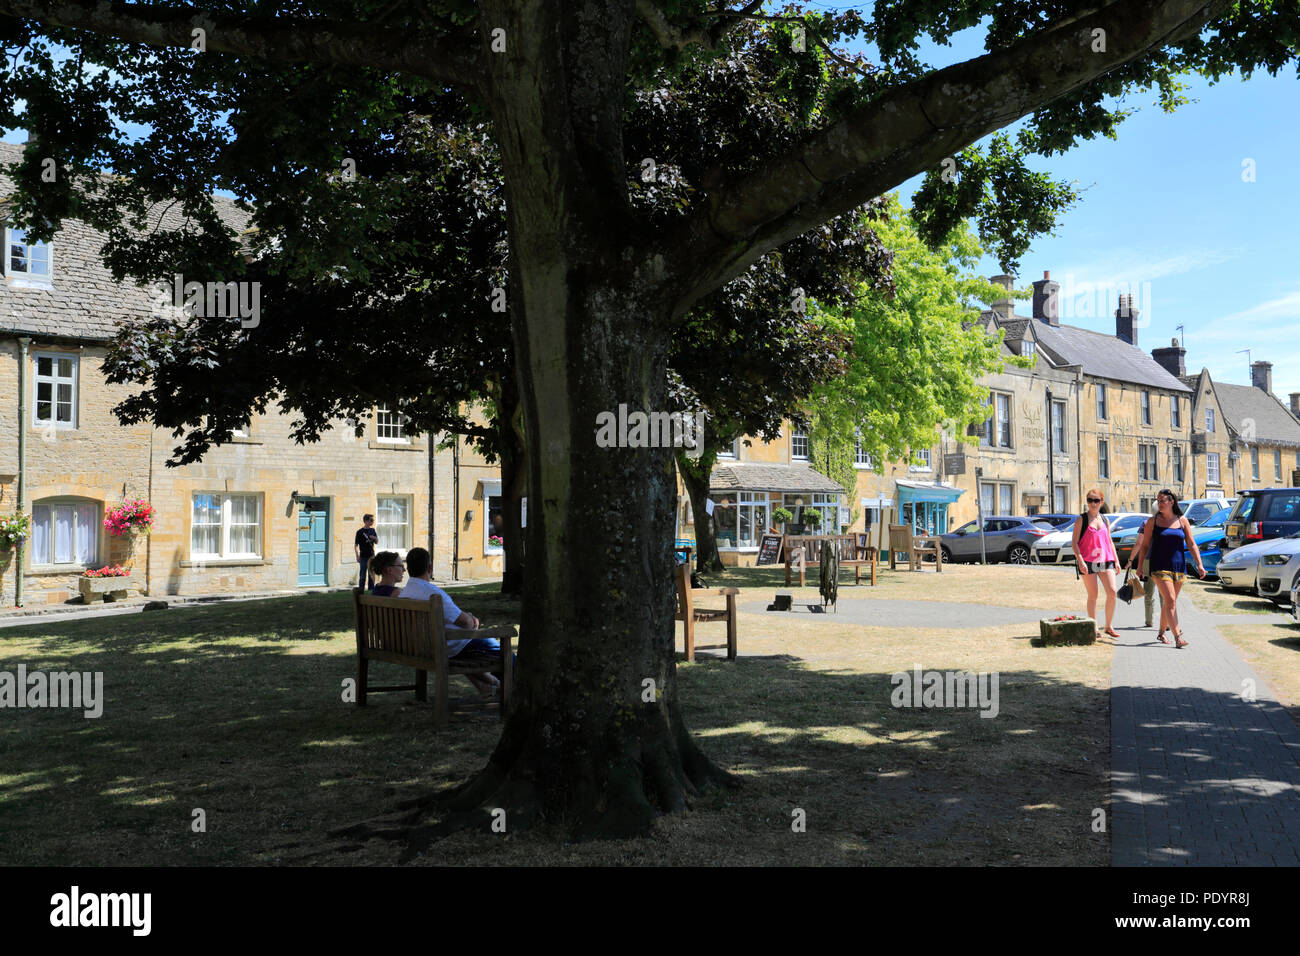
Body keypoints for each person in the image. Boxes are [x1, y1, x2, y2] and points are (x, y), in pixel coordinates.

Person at [398, 546, 509, 700]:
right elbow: (466, 624)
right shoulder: (433, 594)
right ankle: (517, 689)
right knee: (504, 652)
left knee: (470, 649)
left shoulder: (405, 593)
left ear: (408, 569)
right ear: (429, 568)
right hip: (444, 647)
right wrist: (472, 619)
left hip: (420, 647)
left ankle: (488, 687)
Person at [1129, 489, 1205, 649]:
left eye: (1163, 500)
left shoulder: (1182, 521)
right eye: (1158, 500)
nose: (1159, 503)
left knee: (1170, 603)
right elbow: (1145, 546)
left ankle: (1162, 632)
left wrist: (1199, 564)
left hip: (1178, 567)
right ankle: (1178, 636)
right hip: (1159, 566)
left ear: (1172, 502)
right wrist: (1140, 567)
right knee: (1170, 600)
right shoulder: (1153, 521)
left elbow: (1191, 544)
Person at [1072, 488, 1121, 638]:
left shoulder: (1105, 519)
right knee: (1093, 595)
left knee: (1112, 592)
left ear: (1101, 502)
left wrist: (1116, 560)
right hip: (1088, 561)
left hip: (1106, 560)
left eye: (1096, 500)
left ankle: (1108, 626)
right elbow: (1074, 542)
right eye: (1090, 500)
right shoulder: (1082, 519)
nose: (1093, 503)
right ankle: (1094, 627)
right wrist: (1081, 561)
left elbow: (1110, 542)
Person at [354, 514, 379, 590]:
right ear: (366, 521)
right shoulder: (359, 532)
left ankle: (371, 589)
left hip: (371, 555)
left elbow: (377, 541)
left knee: (371, 573)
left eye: (373, 520)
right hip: (363, 556)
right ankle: (361, 589)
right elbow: (356, 545)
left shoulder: (372, 530)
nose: (373, 522)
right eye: (371, 520)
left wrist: (373, 538)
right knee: (362, 574)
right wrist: (357, 556)